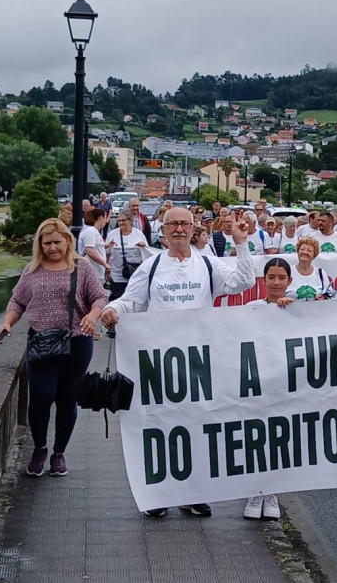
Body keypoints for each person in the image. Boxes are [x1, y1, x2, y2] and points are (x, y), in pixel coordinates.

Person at [100, 207, 256, 518]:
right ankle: (157, 494)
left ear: (194, 228)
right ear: (164, 230)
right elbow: (132, 300)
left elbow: (244, 281)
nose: (180, 229)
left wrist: (240, 243)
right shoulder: (152, 265)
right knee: (159, 425)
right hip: (158, 360)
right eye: (173, 224)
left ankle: (190, 493)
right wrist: (112, 309)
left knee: (196, 425)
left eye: (185, 224)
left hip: (198, 360)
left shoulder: (209, 263)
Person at [0, 218, 107, 478]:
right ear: (39, 244)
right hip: (42, 342)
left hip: (76, 342)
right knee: (42, 397)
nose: (53, 248)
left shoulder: (81, 267)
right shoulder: (32, 269)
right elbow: (18, 300)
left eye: (58, 241)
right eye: (47, 243)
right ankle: (40, 448)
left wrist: (92, 315)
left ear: (68, 241)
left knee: (67, 398)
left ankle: (59, 453)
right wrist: (7, 323)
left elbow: (99, 297)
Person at [243, 257, 295, 521]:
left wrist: (294, 308)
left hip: (285, 385)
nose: (276, 283)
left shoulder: (298, 308)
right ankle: (255, 491)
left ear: (289, 281)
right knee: (256, 437)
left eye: (281, 278)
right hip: (257, 383)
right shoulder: (251, 308)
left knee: (279, 439)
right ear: (263, 281)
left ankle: (273, 492)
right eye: (271, 277)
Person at [105, 211, 149, 299]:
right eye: (119, 221)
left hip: (134, 274)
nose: (121, 223)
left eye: (123, 220)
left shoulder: (138, 234)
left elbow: (146, 253)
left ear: (130, 221)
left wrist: (143, 246)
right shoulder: (112, 234)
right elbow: (107, 253)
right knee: (119, 297)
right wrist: (107, 270)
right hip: (117, 274)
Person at [77, 208, 110, 286]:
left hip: (95, 271)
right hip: (92, 271)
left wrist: (105, 246)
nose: (106, 220)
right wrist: (104, 264)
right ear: (100, 217)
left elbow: (94, 247)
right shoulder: (90, 231)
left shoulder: (92, 231)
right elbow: (90, 251)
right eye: (105, 217)